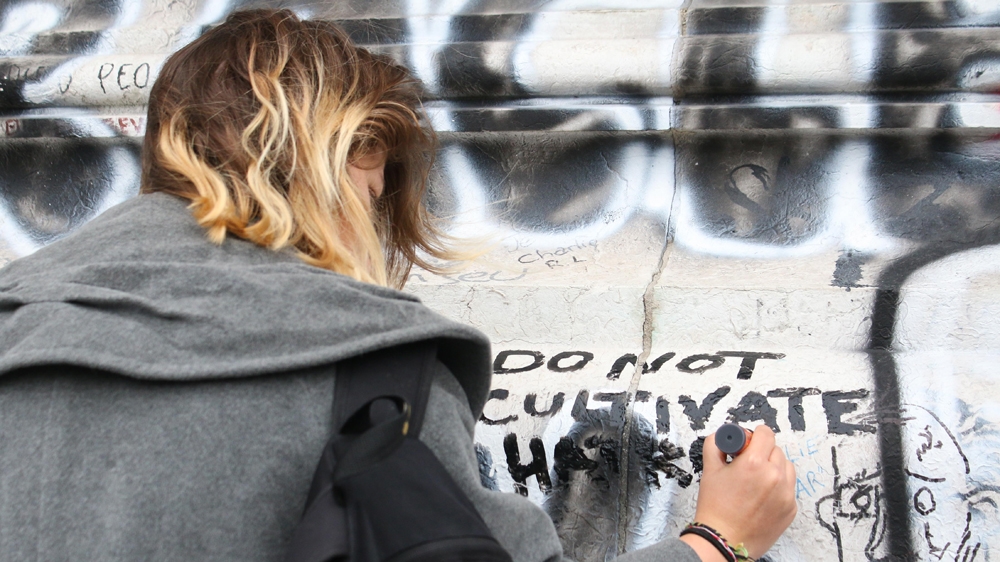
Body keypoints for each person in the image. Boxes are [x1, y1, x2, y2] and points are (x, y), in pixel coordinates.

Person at [0, 9, 796, 562]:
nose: (376, 219)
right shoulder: (368, 380)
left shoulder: (15, 329)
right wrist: (718, 538)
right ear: (335, 160)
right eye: (375, 184)